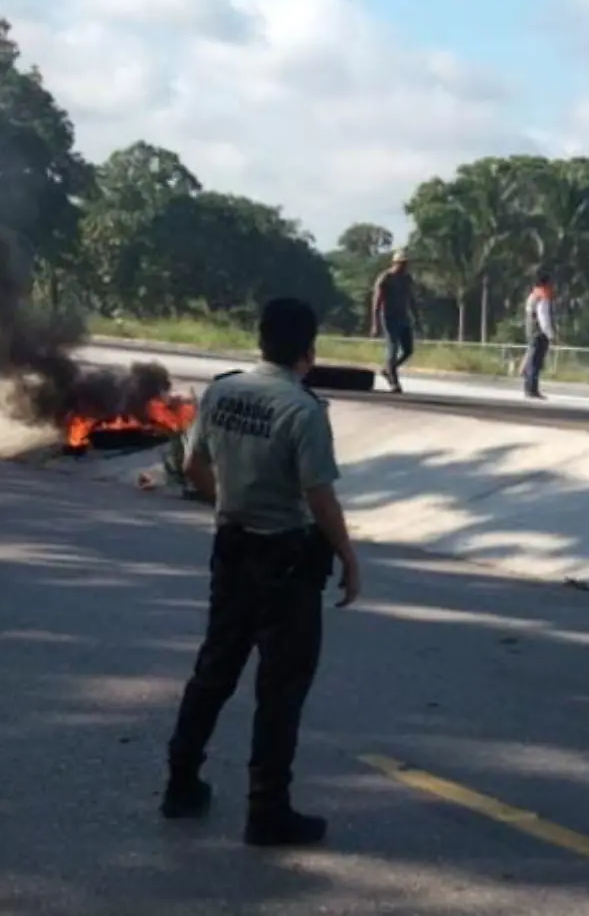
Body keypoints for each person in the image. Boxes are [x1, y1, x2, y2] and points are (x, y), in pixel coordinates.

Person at [160, 297, 364, 848]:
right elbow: (319, 497)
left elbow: (192, 466)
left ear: (260, 339)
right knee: (280, 690)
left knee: (215, 669)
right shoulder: (304, 411)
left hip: (231, 547)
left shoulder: (223, 391)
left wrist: (229, 506)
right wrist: (347, 555)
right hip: (286, 559)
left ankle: (180, 782)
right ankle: (267, 809)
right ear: (309, 351)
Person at [370, 251, 418, 393]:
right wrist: (375, 323)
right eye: (401, 264)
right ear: (394, 263)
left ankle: (388, 369)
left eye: (406, 264)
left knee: (408, 350)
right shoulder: (385, 278)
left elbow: (411, 298)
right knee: (393, 348)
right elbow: (376, 302)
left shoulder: (407, 278)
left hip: (403, 317)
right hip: (389, 318)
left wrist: (416, 316)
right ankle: (394, 382)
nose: (404, 266)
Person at [522, 271, 556, 399]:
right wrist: (550, 334)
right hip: (539, 333)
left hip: (531, 331)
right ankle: (532, 390)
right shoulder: (543, 296)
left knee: (532, 360)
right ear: (546, 283)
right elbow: (544, 317)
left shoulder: (533, 295)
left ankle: (528, 388)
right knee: (536, 362)